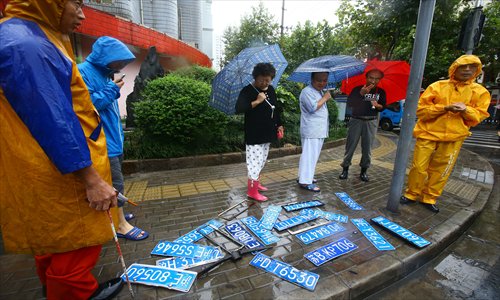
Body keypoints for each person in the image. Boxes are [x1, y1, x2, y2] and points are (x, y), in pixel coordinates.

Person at [0, 1, 124, 299]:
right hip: (63, 173)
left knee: (53, 242)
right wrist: (92, 179)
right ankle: (76, 293)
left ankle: (53, 289)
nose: (82, 14)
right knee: (75, 245)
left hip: (47, 167)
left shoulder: (27, 36)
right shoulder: (28, 46)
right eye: (76, 4)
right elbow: (54, 121)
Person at [78, 36, 149, 241]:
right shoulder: (83, 72)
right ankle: (121, 226)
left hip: (113, 140)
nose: (122, 65)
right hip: (101, 142)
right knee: (115, 183)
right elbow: (86, 106)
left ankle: (117, 216)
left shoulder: (105, 74)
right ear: (106, 57)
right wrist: (112, 89)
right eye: (119, 60)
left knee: (116, 182)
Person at [400, 55, 490, 213]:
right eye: (464, 66)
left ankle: (430, 197)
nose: (467, 70)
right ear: (455, 68)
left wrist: (466, 110)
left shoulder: (480, 92)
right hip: (427, 133)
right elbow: (421, 111)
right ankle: (412, 194)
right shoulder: (437, 86)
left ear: (477, 71)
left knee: (442, 170)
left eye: (472, 67)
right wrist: (444, 108)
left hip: (454, 137)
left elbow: (478, 117)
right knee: (418, 167)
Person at [235, 63, 284, 201]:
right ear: (255, 77)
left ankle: (257, 184)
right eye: (261, 80)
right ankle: (252, 191)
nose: (264, 83)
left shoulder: (272, 90)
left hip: (267, 132)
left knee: (261, 160)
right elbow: (239, 108)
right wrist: (257, 101)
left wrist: (279, 125)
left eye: (267, 80)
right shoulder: (248, 90)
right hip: (254, 134)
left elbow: (275, 108)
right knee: (254, 163)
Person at [339, 69, 386, 181]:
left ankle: (364, 171)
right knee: (350, 145)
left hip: (371, 121)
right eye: (371, 77)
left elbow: (383, 107)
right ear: (366, 77)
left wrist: (378, 105)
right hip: (356, 120)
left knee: (367, 147)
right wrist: (361, 94)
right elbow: (350, 104)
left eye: (376, 78)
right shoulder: (357, 90)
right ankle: (345, 169)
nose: (373, 81)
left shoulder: (381, 92)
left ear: (379, 80)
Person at [297, 72, 332, 192]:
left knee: (311, 155)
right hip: (312, 129)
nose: (322, 83)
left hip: (318, 129)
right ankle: (305, 182)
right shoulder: (306, 91)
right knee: (309, 155)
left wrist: (324, 96)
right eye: (319, 80)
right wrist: (325, 98)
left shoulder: (318, 91)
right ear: (312, 79)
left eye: (324, 80)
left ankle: (305, 176)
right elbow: (312, 108)